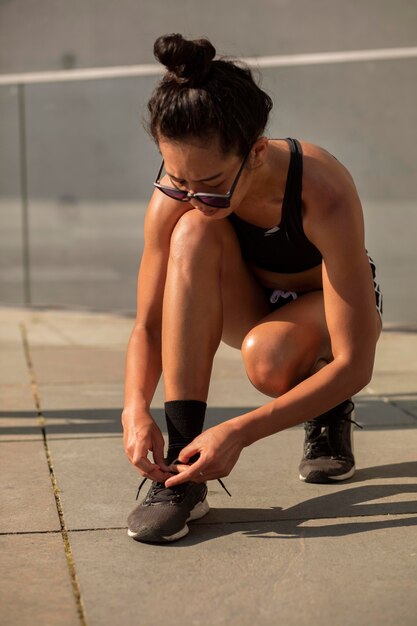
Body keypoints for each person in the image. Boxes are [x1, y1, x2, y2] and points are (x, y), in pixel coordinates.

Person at [122, 33, 383, 543]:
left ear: (257, 152)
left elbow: (359, 362)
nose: (191, 194)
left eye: (212, 184)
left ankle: (328, 409)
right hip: (251, 302)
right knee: (193, 229)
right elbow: (148, 322)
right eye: (176, 179)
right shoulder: (178, 197)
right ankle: (183, 468)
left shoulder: (321, 190)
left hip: (323, 311)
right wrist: (134, 410)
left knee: (269, 359)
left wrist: (239, 432)